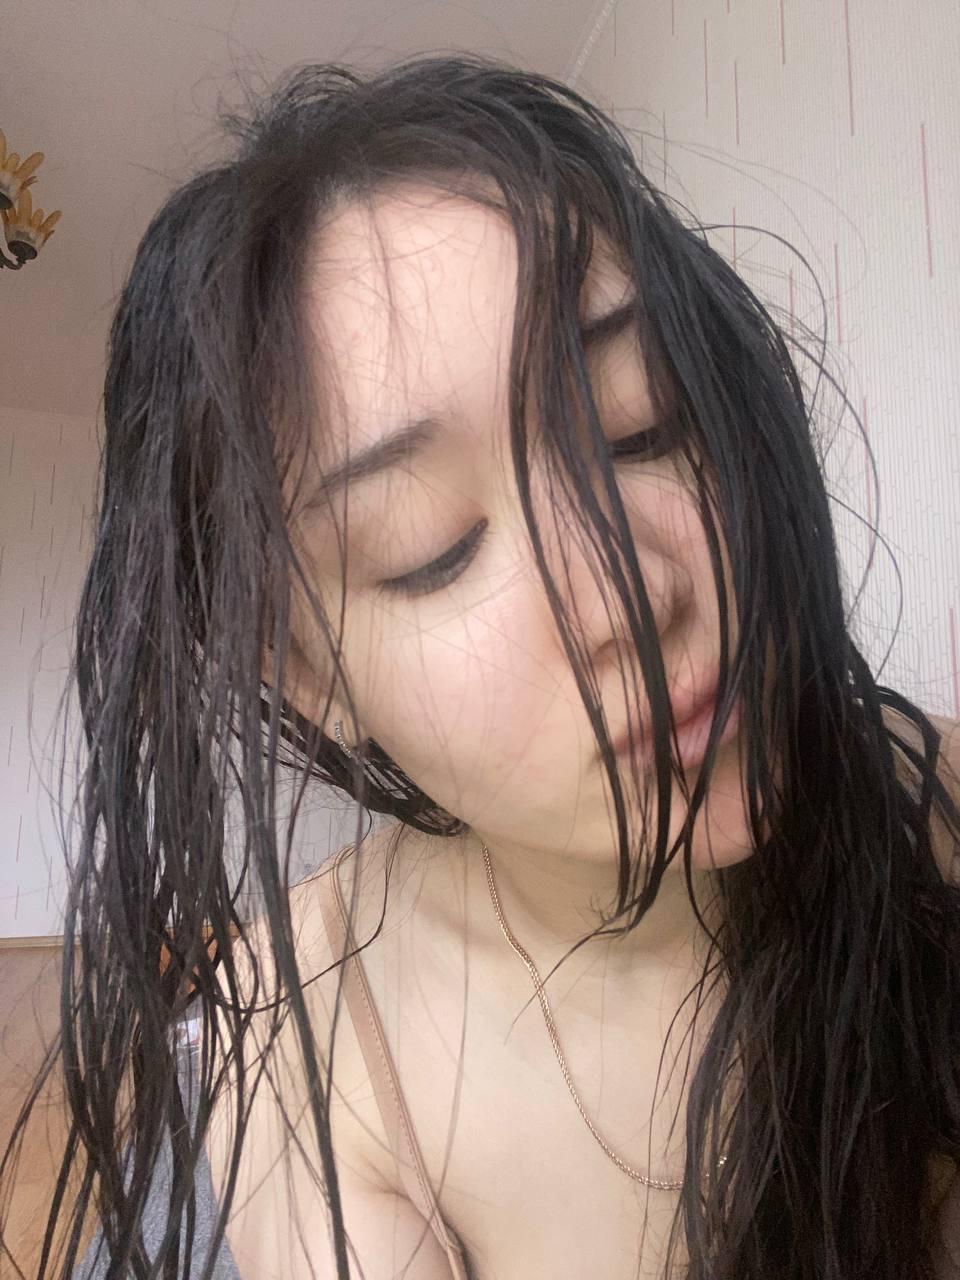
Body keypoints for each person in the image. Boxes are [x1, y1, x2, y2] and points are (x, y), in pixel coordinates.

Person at [3, 51, 960, 1280]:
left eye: (643, 420)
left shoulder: (920, 793)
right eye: (434, 549)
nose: (632, 593)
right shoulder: (319, 1044)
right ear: (308, 674)